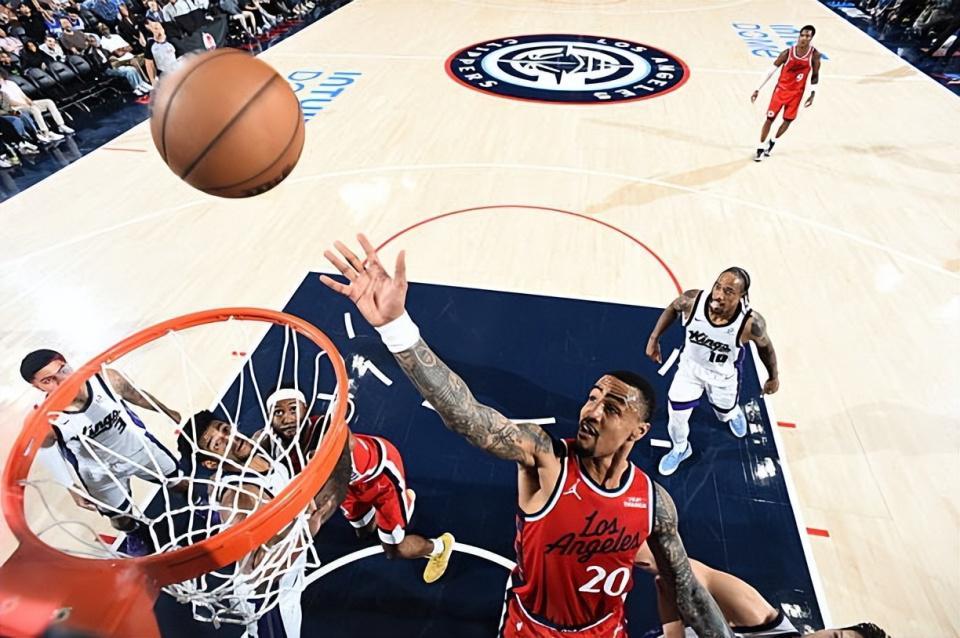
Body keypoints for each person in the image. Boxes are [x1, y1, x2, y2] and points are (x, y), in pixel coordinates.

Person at [320, 235, 733, 638]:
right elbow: (467, 415)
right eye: (592, 398)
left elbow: (688, 591)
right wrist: (397, 328)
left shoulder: (654, 503)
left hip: (605, 630)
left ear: (639, 431)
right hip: (531, 628)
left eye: (611, 408)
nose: (592, 411)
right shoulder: (546, 457)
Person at [179, 410, 352, 638]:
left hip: (287, 570)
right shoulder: (239, 499)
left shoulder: (255, 450)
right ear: (211, 462)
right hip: (269, 601)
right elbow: (258, 577)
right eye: (218, 444)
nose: (230, 438)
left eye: (225, 429)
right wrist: (304, 532)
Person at [261, 383, 455, 583]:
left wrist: (309, 519)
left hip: (380, 477)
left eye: (293, 409)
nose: (287, 418)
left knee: (394, 549)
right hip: (351, 484)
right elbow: (248, 452)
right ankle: (387, 515)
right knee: (364, 531)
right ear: (269, 418)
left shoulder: (327, 430)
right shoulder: (270, 443)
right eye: (278, 412)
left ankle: (439, 546)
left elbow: (337, 481)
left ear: (305, 408)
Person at [19, 349, 186, 555]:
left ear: (67, 363)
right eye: (48, 380)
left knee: (180, 483)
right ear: (36, 386)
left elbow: (136, 395)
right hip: (99, 474)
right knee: (120, 519)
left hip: (140, 449)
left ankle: (201, 503)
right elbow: (45, 451)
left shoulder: (106, 379)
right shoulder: (45, 420)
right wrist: (69, 485)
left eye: (62, 370)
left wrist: (167, 411)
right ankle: (135, 534)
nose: (61, 381)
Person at [646, 267, 779, 476]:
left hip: (722, 377)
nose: (718, 295)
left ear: (742, 296)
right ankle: (681, 448)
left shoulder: (750, 324)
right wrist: (654, 338)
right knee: (676, 415)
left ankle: (732, 412)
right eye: (717, 286)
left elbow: (766, 348)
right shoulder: (692, 301)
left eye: (728, 291)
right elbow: (673, 308)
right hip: (690, 370)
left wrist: (773, 377)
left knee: (723, 414)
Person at [634, 542, 890, 638]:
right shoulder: (760, 618)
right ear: (827, 629)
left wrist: (672, 623)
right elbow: (685, 569)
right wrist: (621, 544)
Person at [750, 25, 821, 161]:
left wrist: (813, 94)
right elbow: (770, 71)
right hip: (780, 91)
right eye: (802, 35)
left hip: (797, 94)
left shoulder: (814, 55)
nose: (804, 38)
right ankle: (760, 148)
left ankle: (772, 141)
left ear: (811, 38)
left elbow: (815, 75)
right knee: (769, 119)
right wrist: (757, 88)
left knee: (788, 120)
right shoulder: (787, 53)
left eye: (807, 36)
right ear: (799, 36)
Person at [0, 68, 75, 138]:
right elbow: (9, 102)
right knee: (34, 109)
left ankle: (61, 125)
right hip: (17, 107)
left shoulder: (11, 83)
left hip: (26, 103)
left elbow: (22, 95)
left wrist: (29, 101)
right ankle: (45, 132)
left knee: (48, 102)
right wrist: (24, 104)